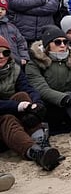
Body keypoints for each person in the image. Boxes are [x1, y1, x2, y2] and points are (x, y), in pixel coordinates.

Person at [0, 35, 61, 171]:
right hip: (3, 119)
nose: (1, 56)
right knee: (7, 118)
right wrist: (18, 106)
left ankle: (41, 144)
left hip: (15, 113)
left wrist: (36, 104)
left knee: (23, 95)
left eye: (5, 52)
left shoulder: (14, 69)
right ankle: (35, 152)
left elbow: (28, 88)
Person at [0, 0, 29, 66]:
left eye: (3, 9)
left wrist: (24, 56)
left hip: (15, 63)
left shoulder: (12, 27)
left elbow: (21, 43)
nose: (0, 11)